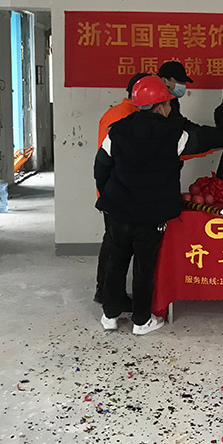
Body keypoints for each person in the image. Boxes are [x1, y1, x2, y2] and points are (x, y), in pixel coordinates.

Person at [95, 76, 223, 335]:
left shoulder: (118, 130)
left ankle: (109, 315)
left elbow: (101, 166)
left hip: (119, 210)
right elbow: (203, 139)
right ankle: (141, 321)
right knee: (145, 267)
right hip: (151, 214)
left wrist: (110, 198)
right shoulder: (173, 134)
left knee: (116, 260)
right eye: (168, 103)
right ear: (160, 106)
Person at [93, 72, 150, 308]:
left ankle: (106, 293)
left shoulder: (118, 112)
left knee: (113, 244)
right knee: (116, 249)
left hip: (113, 192)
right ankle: (109, 295)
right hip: (118, 194)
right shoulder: (126, 117)